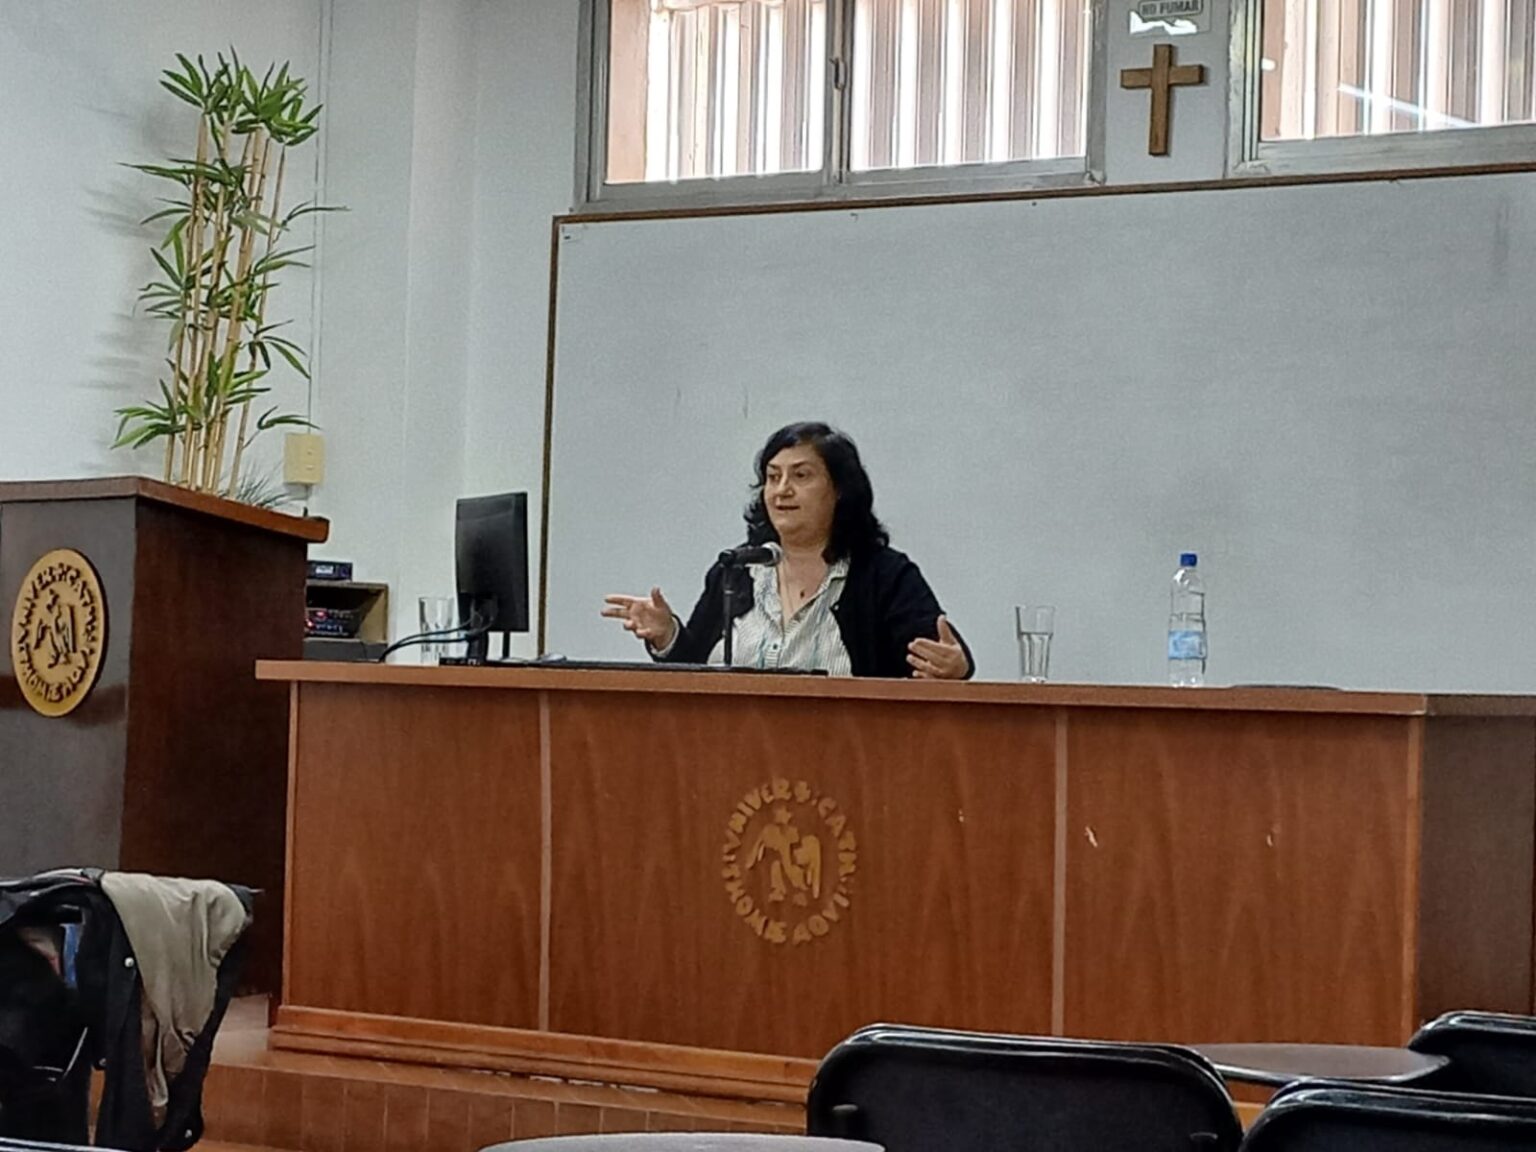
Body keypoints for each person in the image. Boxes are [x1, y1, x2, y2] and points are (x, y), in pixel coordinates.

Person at [602, 422, 972, 679]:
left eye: (801, 475)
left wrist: (956, 666)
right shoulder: (736, 571)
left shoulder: (883, 576)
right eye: (773, 477)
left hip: (848, 758)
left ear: (839, 490)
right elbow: (694, 673)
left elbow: (940, 652)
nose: (782, 490)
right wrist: (667, 634)